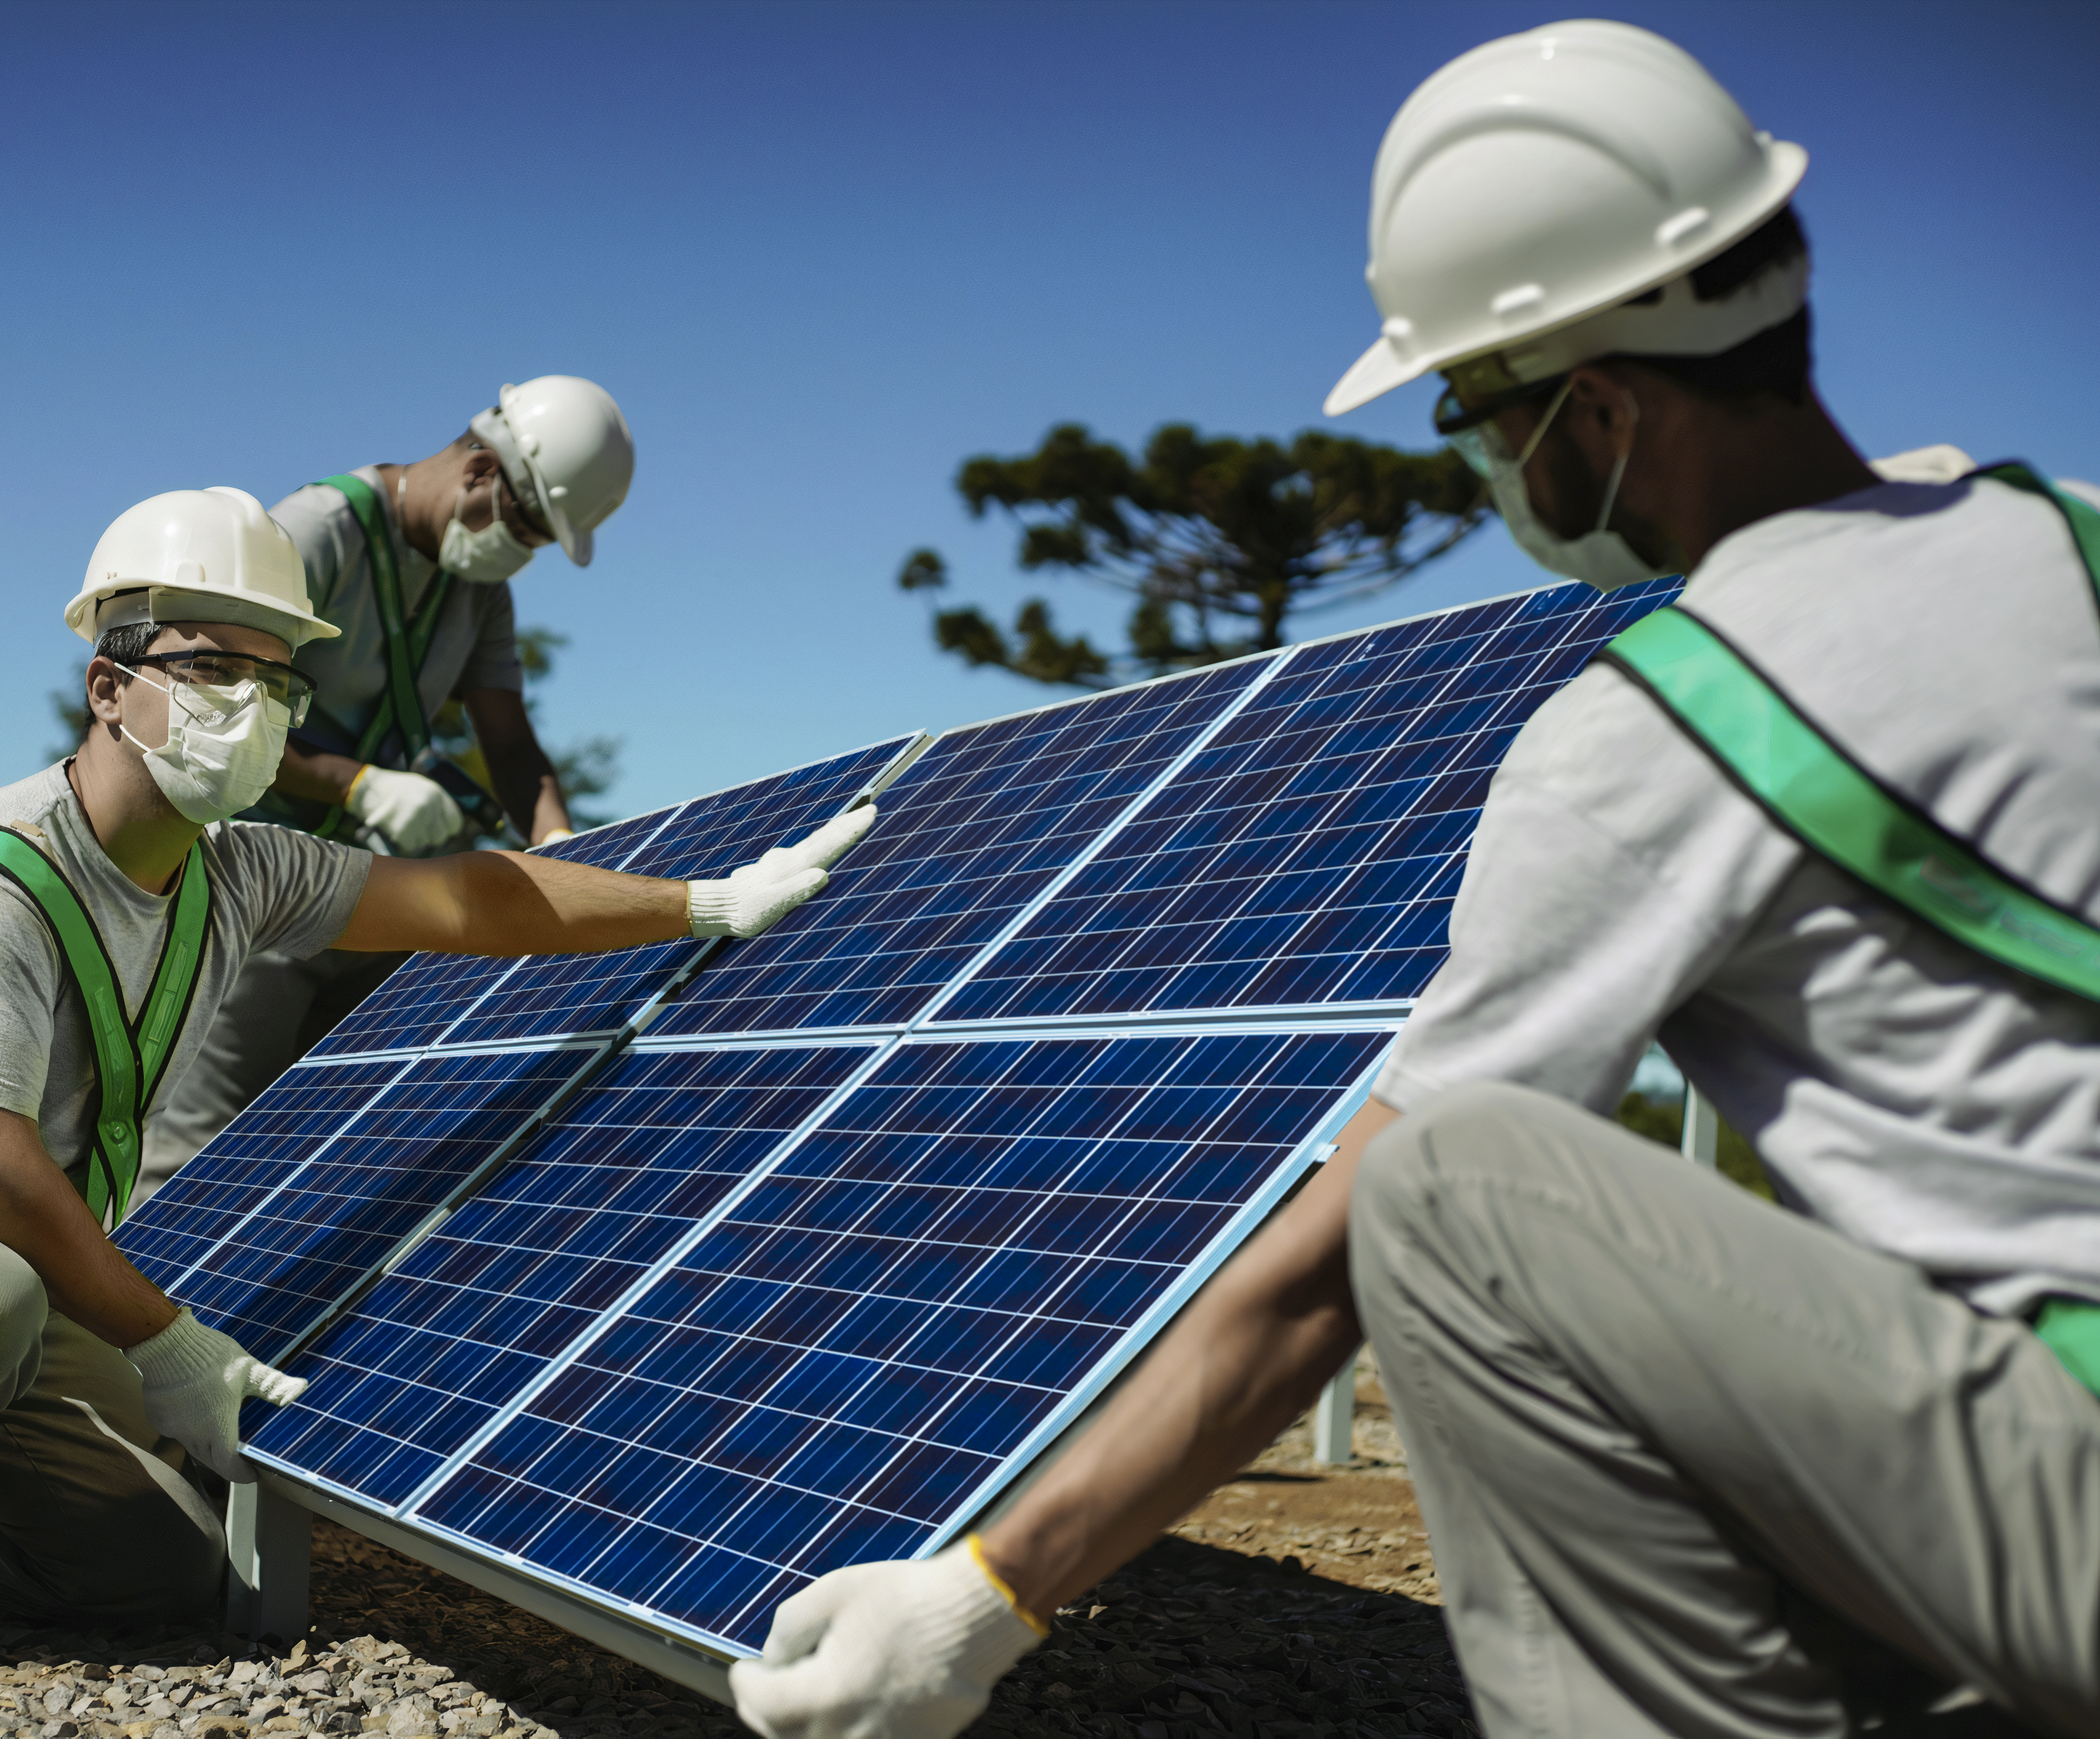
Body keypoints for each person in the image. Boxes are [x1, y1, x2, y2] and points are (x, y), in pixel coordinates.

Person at [729, 21, 2100, 1739]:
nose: (1485, 464)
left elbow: (1330, 1269)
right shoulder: (2075, 533)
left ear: (1597, 405)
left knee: (1453, 1194)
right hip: (2020, 1470)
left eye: (1478, 413)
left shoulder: (1655, 734)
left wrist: (988, 1592)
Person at [0, 483, 870, 1674]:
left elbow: (470, 895)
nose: (251, 710)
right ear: (109, 688)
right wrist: (172, 1343)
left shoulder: (241, 874)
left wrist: (706, 901)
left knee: (165, 1570)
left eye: (276, 681)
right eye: (210, 672)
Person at [136, 376, 634, 1203]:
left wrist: (560, 844)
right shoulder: (311, 534)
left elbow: (508, 741)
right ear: (479, 469)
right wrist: (360, 783)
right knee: (196, 1147)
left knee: (345, 1133)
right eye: (522, 526)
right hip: (243, 879)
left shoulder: (480, 592)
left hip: (361, 889)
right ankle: (131, 1324)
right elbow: (208, 706)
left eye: (540, 542)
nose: (519, 552)